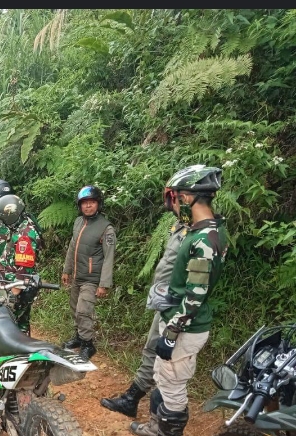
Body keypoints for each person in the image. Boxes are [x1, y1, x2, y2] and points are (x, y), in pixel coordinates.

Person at [130, 165, 228, 436]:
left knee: (172, 388)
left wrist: (172, 331)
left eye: (173, 198)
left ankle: (167, 431)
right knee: (164, 379)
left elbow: (195, 294)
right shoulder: (212, 229)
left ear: (186, 198)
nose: (172, 205)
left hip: (185, 328)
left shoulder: (204, 240)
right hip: (180, 320)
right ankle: (154, 427)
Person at [100, 217, 190, 424]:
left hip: (180, 307)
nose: (173, 201)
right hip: (167, 302)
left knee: (168, 362)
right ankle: (133, 399)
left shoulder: (200, 234)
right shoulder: (180, 226)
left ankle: (162, 418)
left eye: (176, 196)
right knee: (152, 348)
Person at [61, 185, 116, 360]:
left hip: (92, 279)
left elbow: (109, 258)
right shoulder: (78, 222)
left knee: (84, 310)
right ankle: (79, 337)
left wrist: (104, 284)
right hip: (77, 275)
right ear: (80, 205)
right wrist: (66, 270)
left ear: (98, 204)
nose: (88, 206)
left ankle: (88, 344)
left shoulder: (106, 228)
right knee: (74, 309)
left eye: (92, 202)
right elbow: (72, 247)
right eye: (84, 203)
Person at [0, 194, 43, 334]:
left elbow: (25, 268)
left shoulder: (26, 234)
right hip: (9, 283)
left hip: (18, 287)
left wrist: (13, 295)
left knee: (15, 325)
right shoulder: (15, 227)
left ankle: (20, 351)